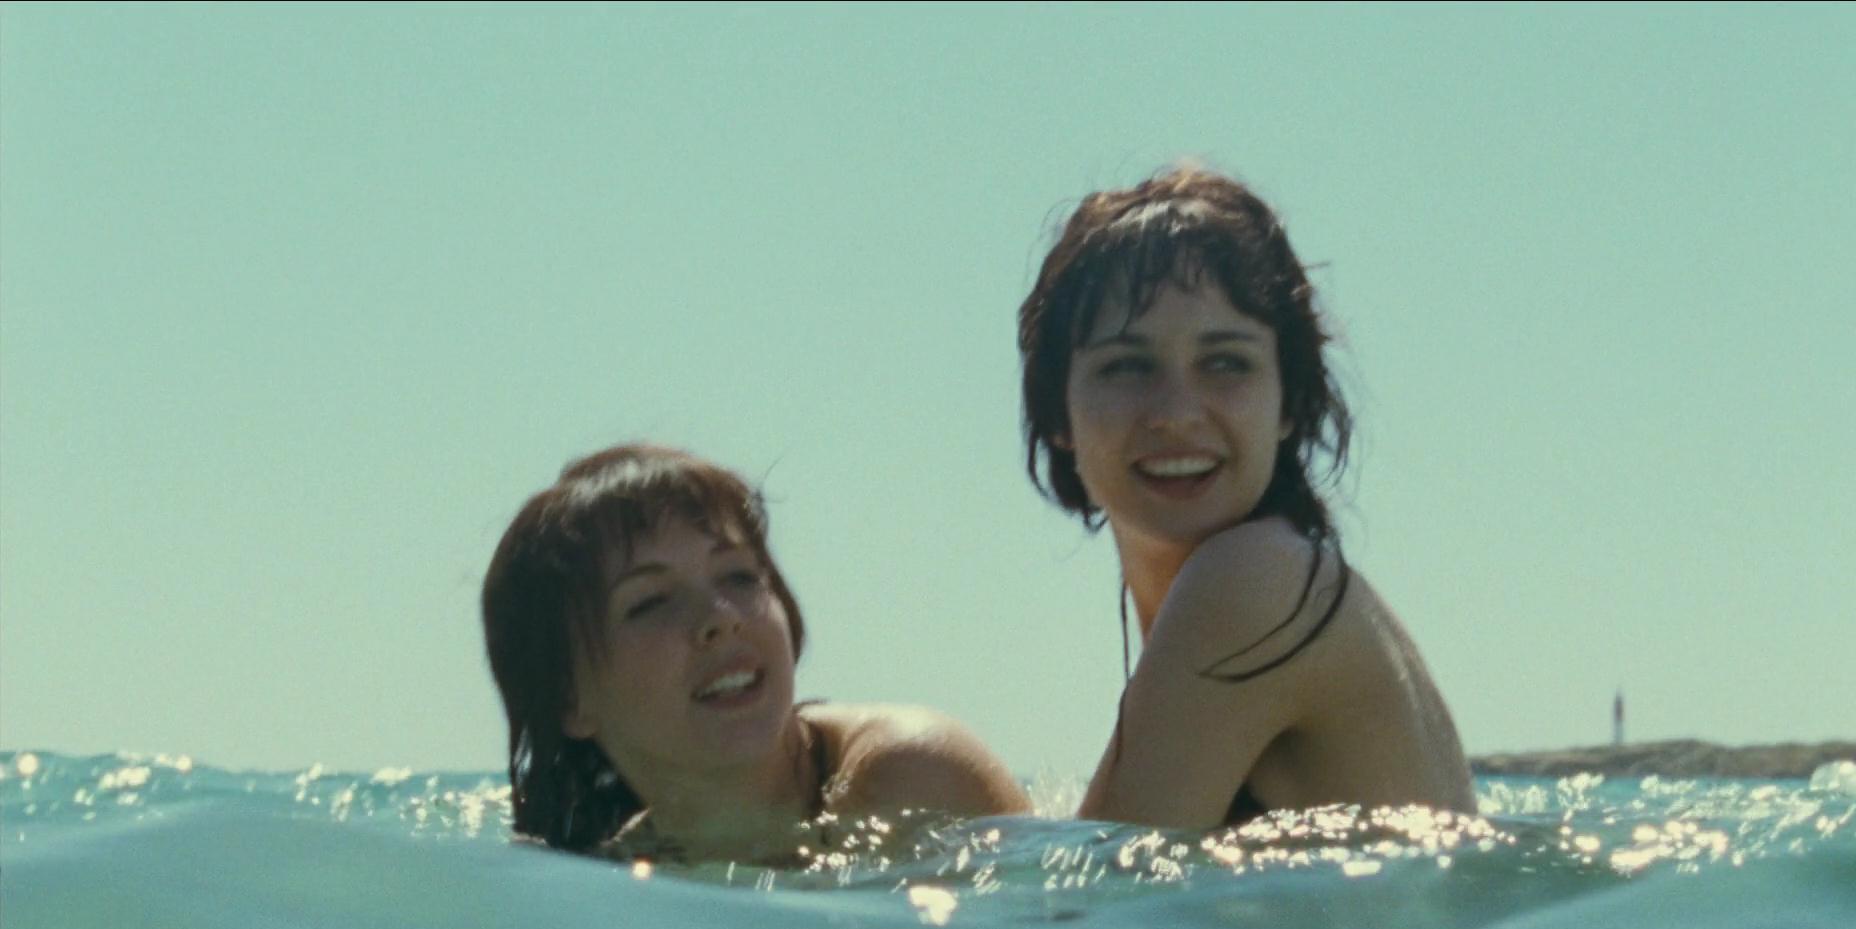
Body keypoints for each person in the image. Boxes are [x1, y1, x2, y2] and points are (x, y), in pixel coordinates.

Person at [1016, 167, 1474, 829]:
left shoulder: (1256, 582)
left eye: (1225, 363)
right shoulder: (1278, 577)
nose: (1177, 413)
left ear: (1289, 401)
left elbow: (1104, 884)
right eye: (1128, 366)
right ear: (1057, 412)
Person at [482, 443, 1029, 864]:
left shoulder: (910, 780)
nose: (721, 617)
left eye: (740, 576)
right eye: (651, 602)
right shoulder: (616, 873)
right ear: (569, 698)